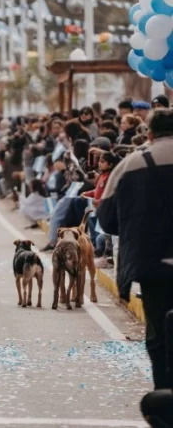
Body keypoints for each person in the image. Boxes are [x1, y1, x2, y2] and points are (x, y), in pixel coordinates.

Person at [97, 108, 173, 390]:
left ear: (149, 133)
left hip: (153, 265)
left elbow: (106, 219)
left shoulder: (130, 164)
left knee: (158, 334)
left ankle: (164, 396)